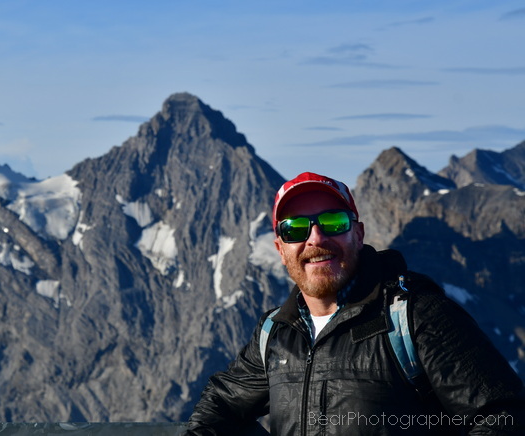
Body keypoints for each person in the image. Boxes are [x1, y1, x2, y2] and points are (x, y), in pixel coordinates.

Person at [185, 172, 525, 435]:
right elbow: (220, 405)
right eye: (295, 229)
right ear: (280, 248)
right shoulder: (275, 333)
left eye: (333, 222)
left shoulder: (416, 316)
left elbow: (504, 415)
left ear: (358, 234)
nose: (315, 238)